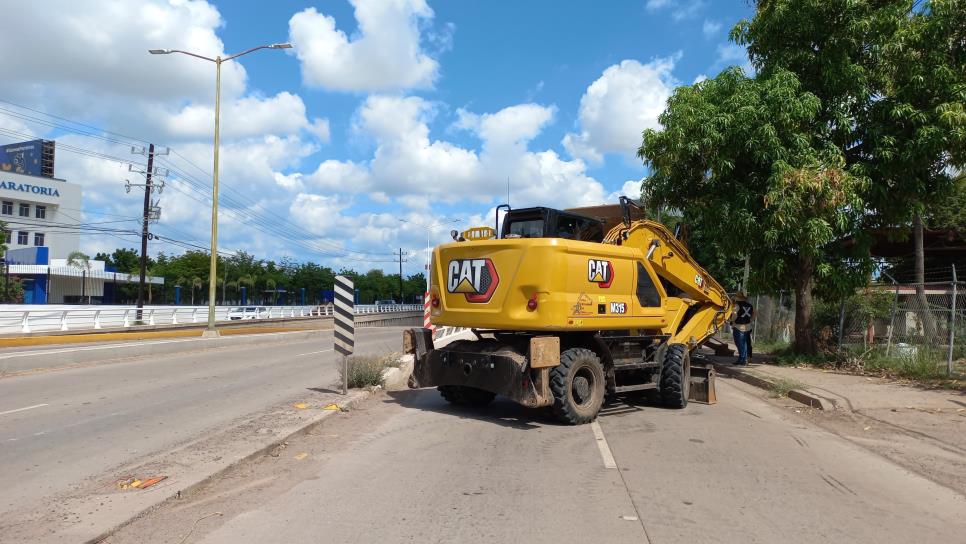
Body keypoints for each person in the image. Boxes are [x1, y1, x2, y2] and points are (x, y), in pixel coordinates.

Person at [730, 292, 754, 365]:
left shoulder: (737, 305)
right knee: (745, 343)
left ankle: (741, 360)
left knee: (740, 344)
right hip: (747, 326)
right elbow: (755, 312)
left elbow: (734, 314)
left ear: (737, 298)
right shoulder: (750, 305)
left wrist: (732, 321)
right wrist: (750, 320)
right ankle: (745, 359)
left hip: (739, 327)